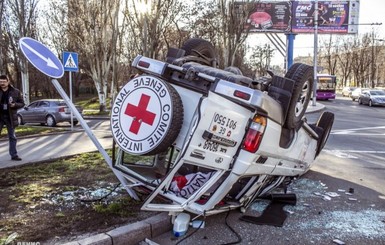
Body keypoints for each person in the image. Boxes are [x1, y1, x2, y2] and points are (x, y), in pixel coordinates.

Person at [0, 74, 25, 161]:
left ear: (8, 81)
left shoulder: (15, 91)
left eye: (4, 81)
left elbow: (22, 103)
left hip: (10, 117)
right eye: (0, 82)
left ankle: (14, 155)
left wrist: (15, 105)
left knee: (12, 136)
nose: (2, 83)